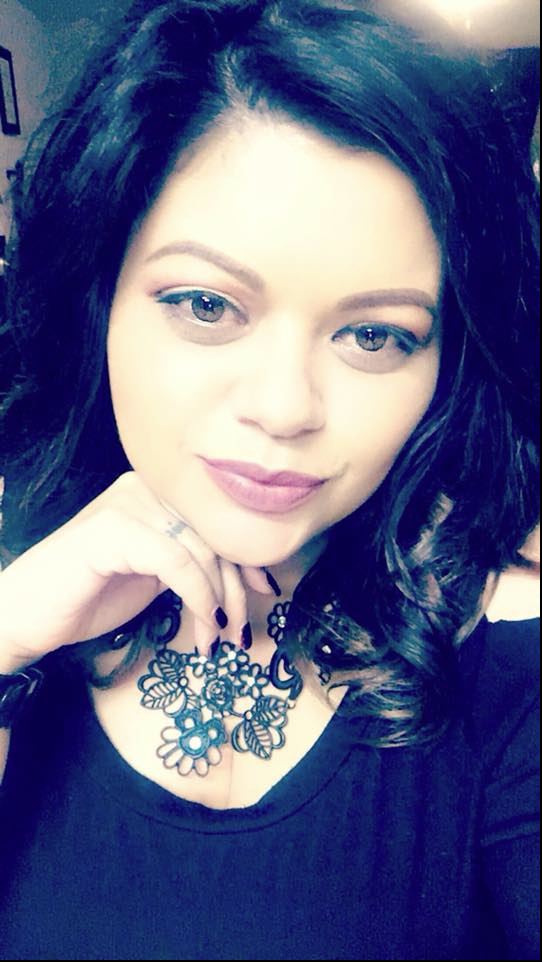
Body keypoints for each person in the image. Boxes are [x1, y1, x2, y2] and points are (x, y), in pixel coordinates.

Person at [0, 1, 539, 959]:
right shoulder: (16, 573)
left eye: (374, 335)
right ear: (98, 299)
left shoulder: (506, 662)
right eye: (207, 305)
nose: (286, 408)